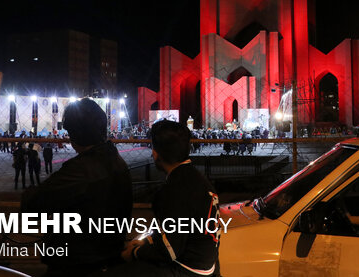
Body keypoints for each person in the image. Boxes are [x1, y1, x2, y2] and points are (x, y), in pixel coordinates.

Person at [21, 98, 133, 277]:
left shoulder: (80, 170)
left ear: (75, 133)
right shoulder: (116, 160)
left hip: (77, 263)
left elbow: (33, 203)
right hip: (109, 254)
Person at [98, 119, 220, 277]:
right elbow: (177, 230)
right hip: (206, 266)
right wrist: (147, 242)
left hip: (186, 269)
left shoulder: (175, 189)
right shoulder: (200, 181)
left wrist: (136, 253)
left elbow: (170, 251)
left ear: (156, 153)